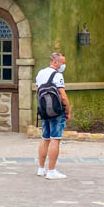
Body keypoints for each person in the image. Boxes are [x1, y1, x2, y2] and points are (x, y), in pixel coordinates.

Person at [36, 52, 71, 180]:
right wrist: (68, 111)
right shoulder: (58, 75)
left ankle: (41, 169)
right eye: (62, 62)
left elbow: (38, 92)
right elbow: (63, 96)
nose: (64, 65)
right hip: (57, 111)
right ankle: (51, 171)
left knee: (45, 139)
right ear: (55, 62)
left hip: (44, 110)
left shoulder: (40, 73)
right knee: (55, 139)